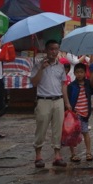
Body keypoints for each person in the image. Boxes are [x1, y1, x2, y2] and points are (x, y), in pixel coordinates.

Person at [29, 40, 68, 168]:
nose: (54, 52)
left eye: (56, 49)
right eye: (51, 49)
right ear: (46, 50)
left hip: (58, 100)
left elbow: (63, 85)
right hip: (43, 100)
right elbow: (34, 83)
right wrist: (41, 68)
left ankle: (57, 155)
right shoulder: (38, 65)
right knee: (41, 128)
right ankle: (38, 155)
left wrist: (66, 102)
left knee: (58, 129)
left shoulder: (60, 66)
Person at [65, 61, 93, 162]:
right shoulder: (71, 86)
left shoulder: (88, 84)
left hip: (85, 114)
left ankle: (88, 152)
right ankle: (73, 154)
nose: (79, 74)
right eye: (77, 72)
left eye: (81, 72)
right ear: (74, 73)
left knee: (85, 132)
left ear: (85, 73)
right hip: (75, 114)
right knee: (73, 135)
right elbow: (68, 99)